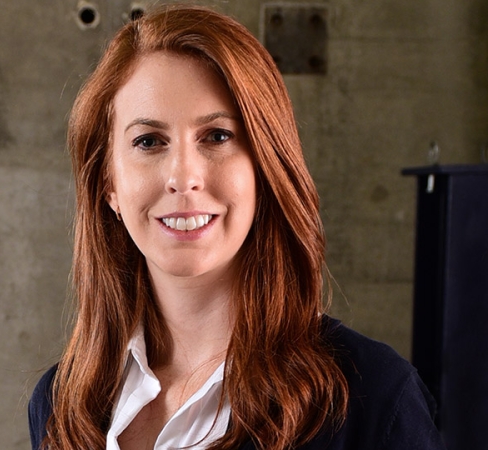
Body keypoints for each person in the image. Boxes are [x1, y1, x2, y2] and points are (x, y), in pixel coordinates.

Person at [29, 4, 445, 450]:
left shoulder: (374, 398)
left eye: (217, 136)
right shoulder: (60, 403)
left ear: (265, 166)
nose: (183, 176)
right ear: (109, 184)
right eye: (149, 141)